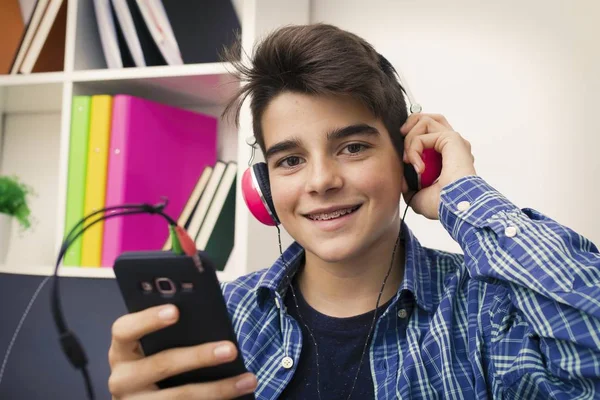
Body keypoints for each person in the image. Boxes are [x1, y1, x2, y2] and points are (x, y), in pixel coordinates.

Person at [107, 23, 600, 399]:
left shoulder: (487, 312)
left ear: (409, 164)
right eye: (291, 160)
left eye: (353, 147)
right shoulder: (229, 318)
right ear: (264, 185)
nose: (321, 181)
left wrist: (464, 196)